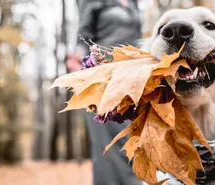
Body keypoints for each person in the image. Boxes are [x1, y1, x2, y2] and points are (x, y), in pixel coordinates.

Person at [66, 0, 143, 185]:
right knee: (107, 147)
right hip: (103, 78)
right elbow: (83, 37)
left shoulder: (133, 3)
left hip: (132, 79)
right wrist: (78, 63)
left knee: (131, 142)